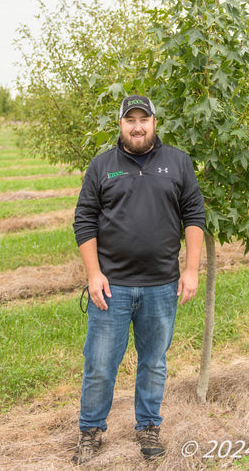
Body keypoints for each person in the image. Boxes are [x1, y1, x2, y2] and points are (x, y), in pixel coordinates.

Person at [72, 95, 205, 465]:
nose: (137, 126)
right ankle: (91, 431)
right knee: (100, 363)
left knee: (154, 361)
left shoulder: (178, 162)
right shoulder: (102, 166)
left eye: (143, 119)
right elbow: (84, 220)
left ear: (154, 122)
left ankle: (148, 427)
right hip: (111, 287)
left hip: (161, 285)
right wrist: (94, 274)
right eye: (129, 120)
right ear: (120, 124)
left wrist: (191, 269)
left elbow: (194, 215)